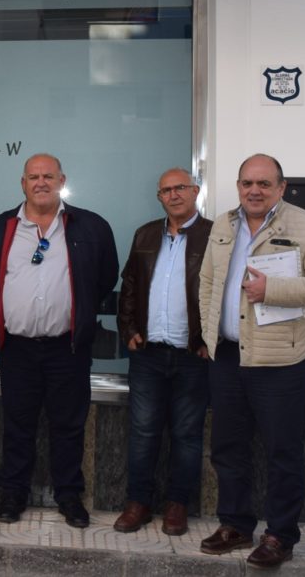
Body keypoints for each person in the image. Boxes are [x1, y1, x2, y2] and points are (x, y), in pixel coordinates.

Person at [198, 154, 305, 569]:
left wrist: (272, 290)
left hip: (281, 362)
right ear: (238, 186)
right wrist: (209, 334)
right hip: (228, 357)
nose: (254, 191)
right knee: (228, 448)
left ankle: (281, 535)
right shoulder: (223, 225)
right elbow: (208, 281)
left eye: (264, 183)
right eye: (247, 183)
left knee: (283, 452)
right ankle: (235, 524)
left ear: (281, 187)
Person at [0, 153, 118, 528]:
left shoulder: (91, 226)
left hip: (67, 348)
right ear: (22, 183)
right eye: (33, 177)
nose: (41, 182)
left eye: (48, 176)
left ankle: (69, 495)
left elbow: (105, 277)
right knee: (17, 424)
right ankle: (13, 493)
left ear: (62, 180)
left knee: (68, 426)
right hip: (17, 348)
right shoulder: (0, 228)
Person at [113, 168, 212, 536]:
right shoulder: (145, 234)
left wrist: (210, 339)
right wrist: (129, 330)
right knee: (142, 432)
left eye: (180, 188)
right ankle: (138, 503)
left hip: (192, 355)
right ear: (160, 197)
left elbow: (225, 292)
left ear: (195, 191)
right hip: (148, 354)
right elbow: (129, 287)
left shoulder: (215, 236)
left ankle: (177, 505)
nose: (173, 195)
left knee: (187, 434)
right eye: (166, 190)